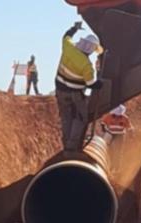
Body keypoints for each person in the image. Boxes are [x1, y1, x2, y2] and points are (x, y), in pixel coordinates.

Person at [56, 21, 103, 152]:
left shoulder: (68, 47)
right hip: (75, 93)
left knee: (66, 116)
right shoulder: (86, 65)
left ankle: (66, 145)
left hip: (60, 90)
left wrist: (74, 28)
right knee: (80, 117)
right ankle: (72, 147)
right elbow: (91, 84)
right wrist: (100, 83)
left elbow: (66, 36)